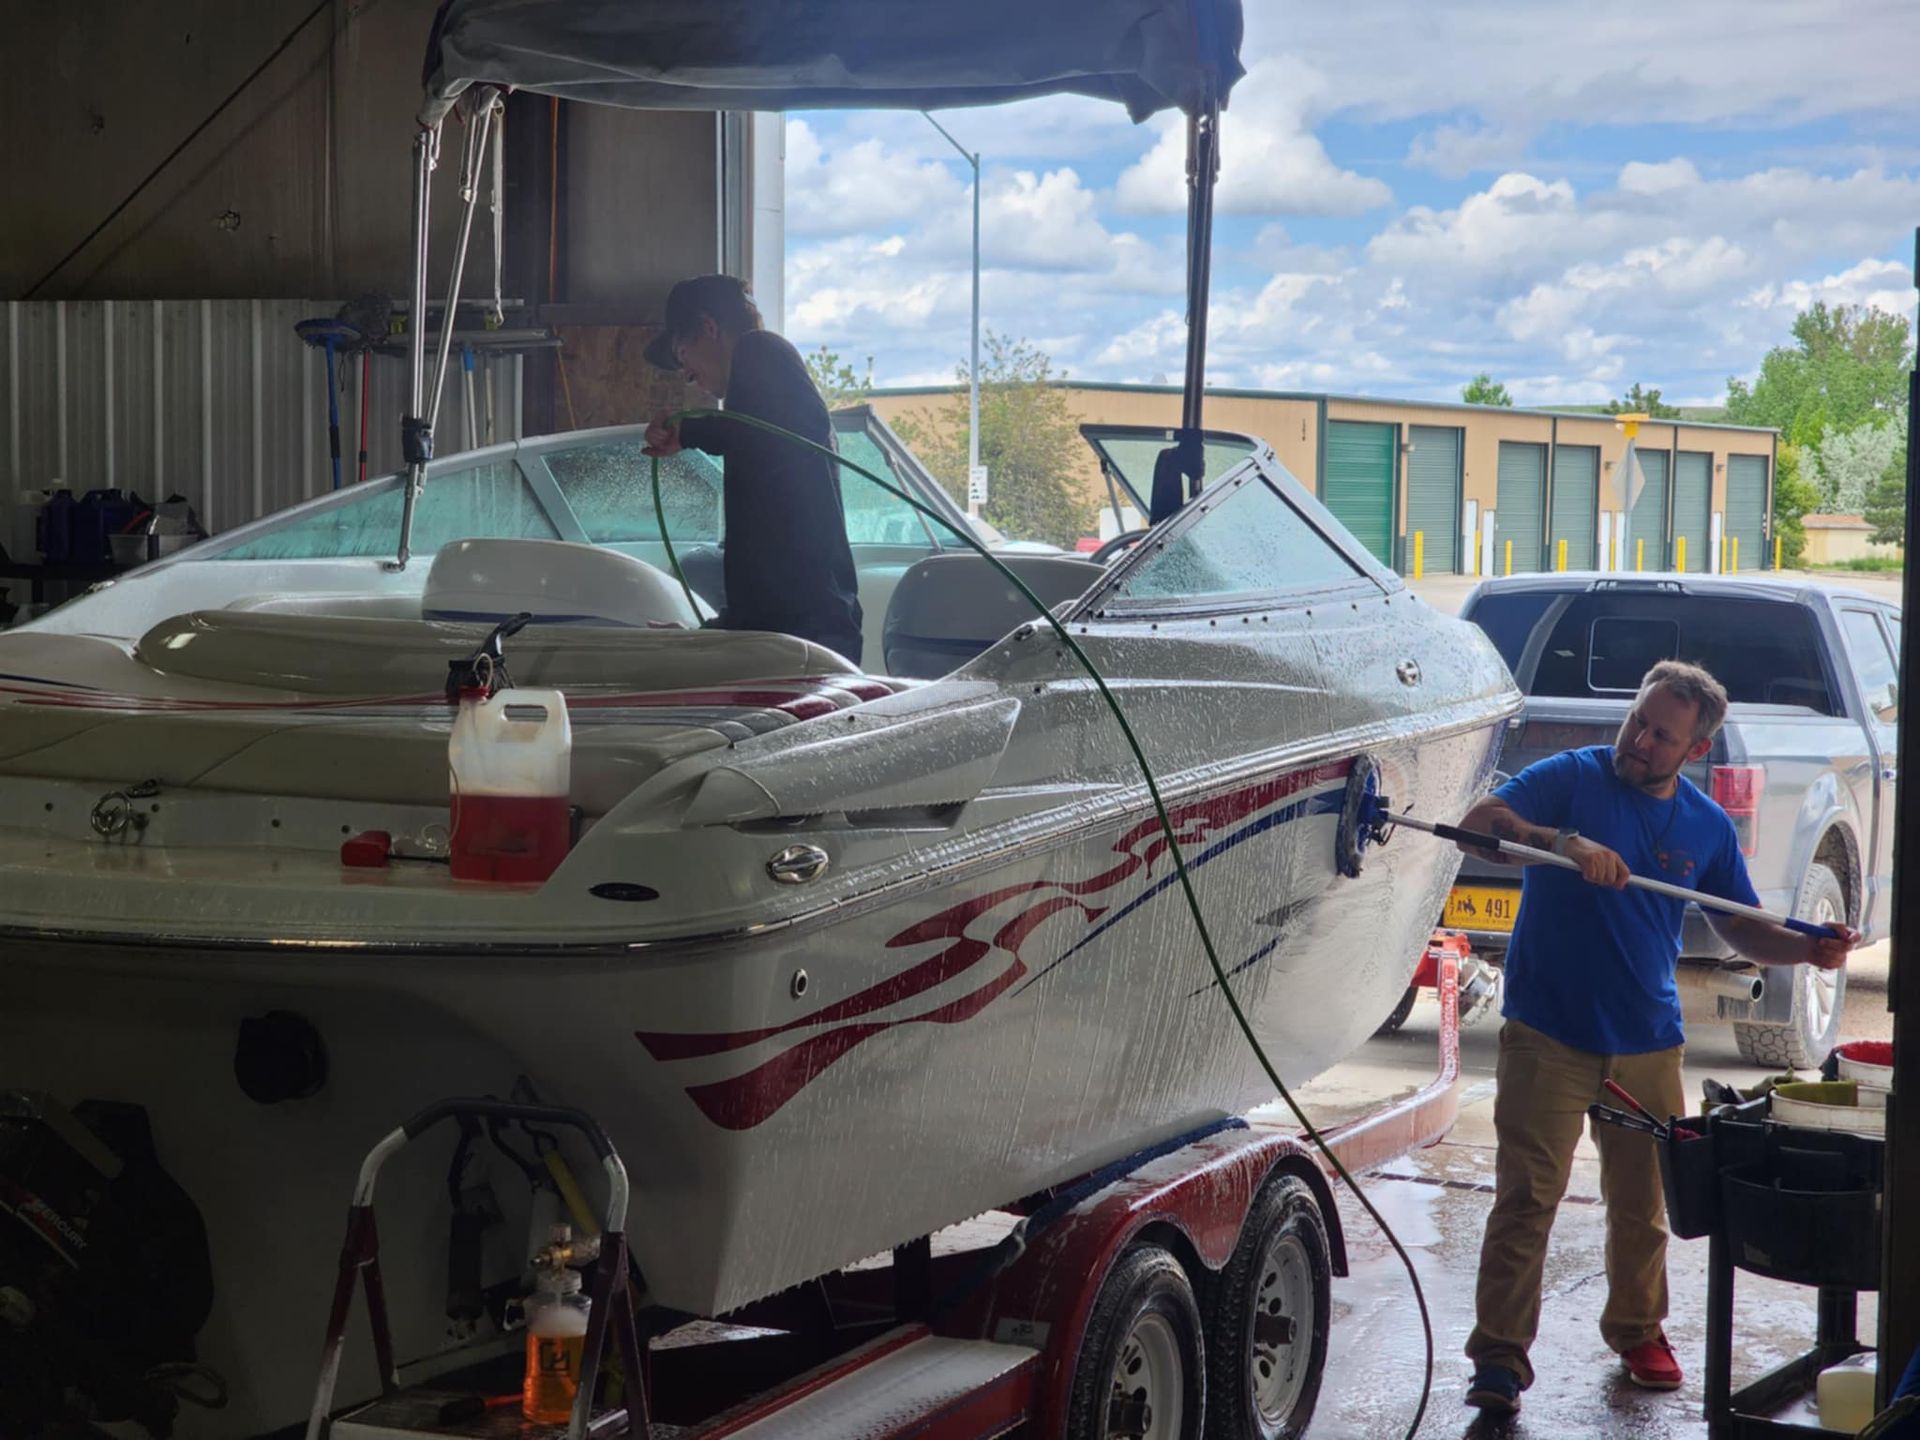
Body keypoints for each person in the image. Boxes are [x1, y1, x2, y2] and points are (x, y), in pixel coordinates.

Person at [1459, 660, 1858, 1416]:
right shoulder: (1569, 778)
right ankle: (1501, 1359)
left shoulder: (1704, 825)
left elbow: (1739, 924)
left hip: (1646, 1039)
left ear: (1695, 751)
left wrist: (1808, 949)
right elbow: (1479, 827)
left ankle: (1639, 1330)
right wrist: (1564, 843)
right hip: (1546, 1032)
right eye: (1638, 720)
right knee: (1526, 1199)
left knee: (1642, 1205)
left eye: (1660, 734)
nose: (1638, 739)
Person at [641, 275, 864, 663]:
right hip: (789, 634)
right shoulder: (756, 397)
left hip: (809, 639)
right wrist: (709, 636)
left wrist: (692, 429)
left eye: (682, 356)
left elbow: (785, 429)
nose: (688, 375)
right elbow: (768, 564)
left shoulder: (761, 350)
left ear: (709, 329)